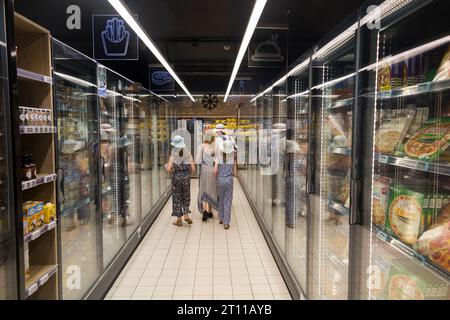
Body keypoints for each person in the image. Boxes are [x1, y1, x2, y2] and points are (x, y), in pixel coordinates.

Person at [165, 135, 195, 226]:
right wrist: (188, 175)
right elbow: (193, 168)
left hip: (176, 178)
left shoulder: (173, 154)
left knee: (177, 197)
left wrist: (169, 169)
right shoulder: (188, 153)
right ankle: (186, 215)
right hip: (186, 178)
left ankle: (179, 219)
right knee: (186, 196)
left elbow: (169, 168)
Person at [196, 130, 219, 222]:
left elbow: (198, 160)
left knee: (204, 188)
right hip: (213, 169)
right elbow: (218, 158)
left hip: (204, 169)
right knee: (211, 188)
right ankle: (210, 211)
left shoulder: (201, 146)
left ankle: (204, 210)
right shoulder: (215, 146)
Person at [214, 139, 237, 230]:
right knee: (228, 200)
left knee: (221, 199)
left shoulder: (218, 158)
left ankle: (221, 218)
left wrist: (218, 174)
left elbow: (215, 171)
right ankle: (226, 222)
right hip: (229, 181)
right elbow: (235, 174)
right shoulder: (232, 159)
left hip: (220, 180)